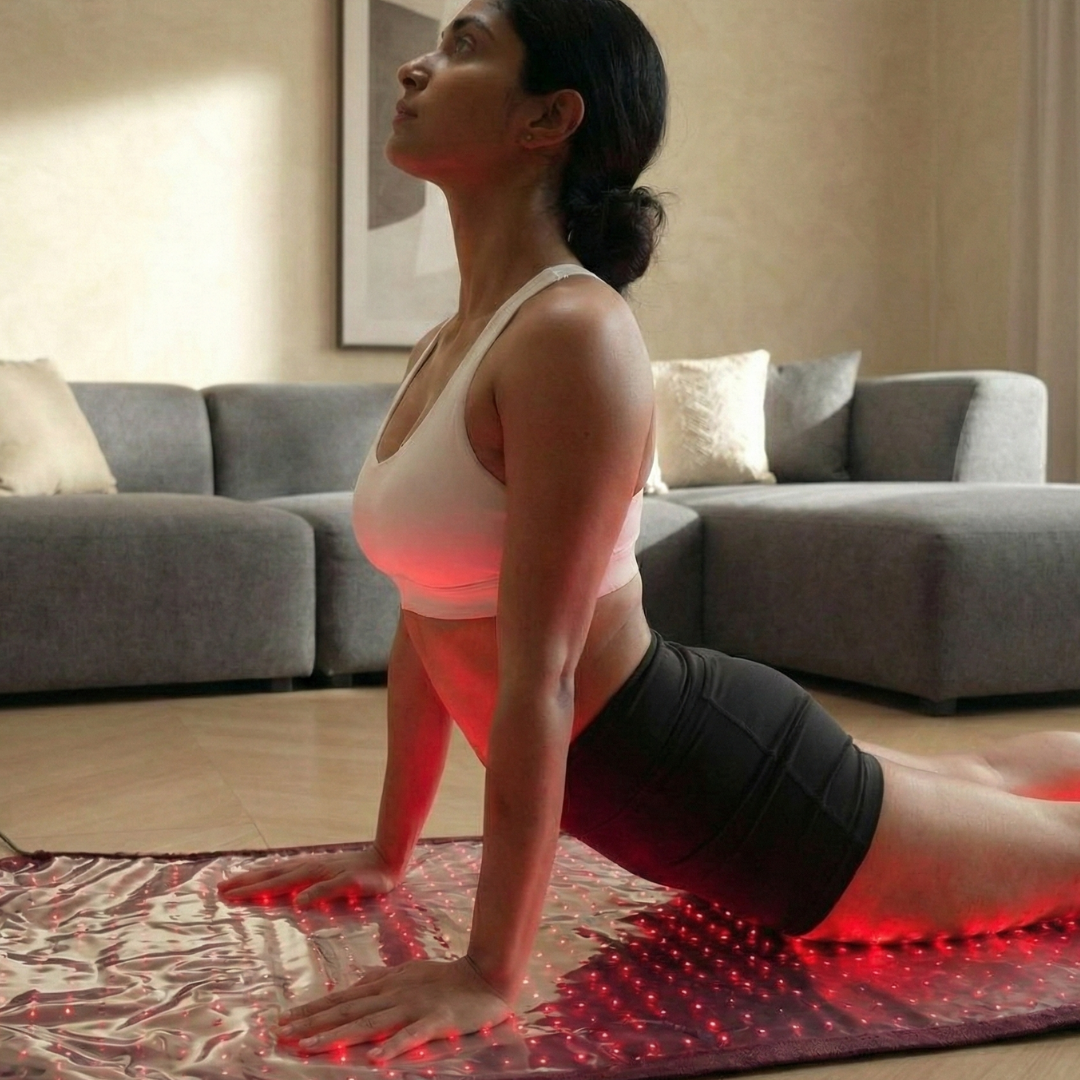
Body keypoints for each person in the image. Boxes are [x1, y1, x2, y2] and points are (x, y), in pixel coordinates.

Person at [218, 0, 1080, 1062]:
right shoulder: (453, 341)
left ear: (550, 119)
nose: (414, 67)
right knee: (990, 785)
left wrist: (491, 973)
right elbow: (429, 623)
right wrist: (387, 854)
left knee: (1065, 856)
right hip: (665, 779)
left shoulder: (573, 334)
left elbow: (543, 677)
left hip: (720, 792)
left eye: (462, 46)